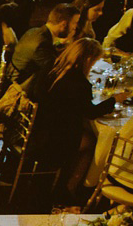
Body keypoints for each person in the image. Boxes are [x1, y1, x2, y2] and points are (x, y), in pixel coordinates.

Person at [33, 38, 127, 200]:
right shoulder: (79, 84)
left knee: (84, 132)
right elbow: (91, 112)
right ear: (89, 59)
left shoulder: (52, 67)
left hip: (39, 128)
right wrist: (115, 99)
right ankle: (69, 189)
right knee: (92, 142)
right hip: (53, 140)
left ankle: (63, 182)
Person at [10, 3, 79, 101]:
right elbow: (55, 69)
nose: (75, 27)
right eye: (75, 22)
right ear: (63, 24)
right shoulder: (42, 43)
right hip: (21, 93)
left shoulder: (34, 31)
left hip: (18, 82)